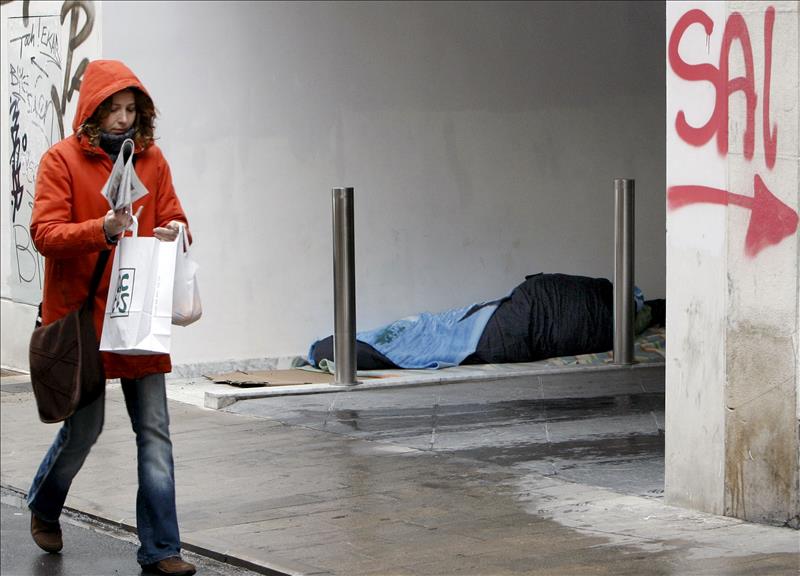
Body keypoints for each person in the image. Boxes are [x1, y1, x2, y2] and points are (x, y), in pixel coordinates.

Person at [27, 60, 196, 576]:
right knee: (83, 432)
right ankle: (45, 504)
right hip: (83, 321)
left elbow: (177, 218)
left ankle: (162, 549)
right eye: (114, 109)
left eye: (131, 110)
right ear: (92, 110)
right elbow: (44, 234)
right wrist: (100, 227)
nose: (123, 120)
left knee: (155, 432)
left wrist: (172, 231)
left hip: (137, 315)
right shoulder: (61, 160)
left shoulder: (152, 160)